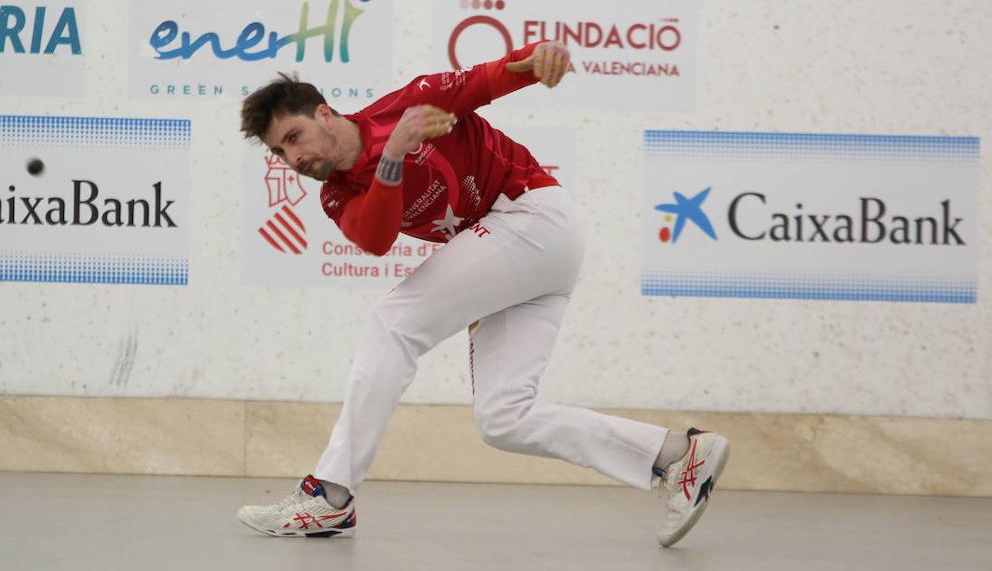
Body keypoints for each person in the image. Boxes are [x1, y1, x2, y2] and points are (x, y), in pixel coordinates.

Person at [235, 40, 729, 547]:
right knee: (505, 418)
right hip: (518, 257)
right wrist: (393, 161)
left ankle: (330, 495)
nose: (293, 157)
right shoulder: (336, 193)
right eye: (279, 151)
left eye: (294, 136)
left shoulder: (409, 104)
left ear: (324, 113)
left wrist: (542, 56)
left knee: (393, 322)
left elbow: (489, 78)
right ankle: (675, 455)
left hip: (532, 219)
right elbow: (377, 239)